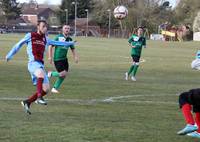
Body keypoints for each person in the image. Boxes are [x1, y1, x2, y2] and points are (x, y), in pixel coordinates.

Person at [5, 20, 74, 115]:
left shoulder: (46, 39)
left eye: (46, 27)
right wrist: (9, 55)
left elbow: (57, 43)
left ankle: (27, 102)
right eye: (43, 26)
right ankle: (39, 97)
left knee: (46, 89)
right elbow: (18, 44)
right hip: (33, 64)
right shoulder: (30, 35)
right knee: (41, 75)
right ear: (38, 27)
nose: (45, 28)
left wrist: (70, 43)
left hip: (40, 65)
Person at [48, 25, 78, 94]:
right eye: (65, 28)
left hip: (64, 59)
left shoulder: (70, 39)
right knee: (62, 74)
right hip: (58, 59)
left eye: (68, 28)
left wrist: (75, 57)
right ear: (62, 29)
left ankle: (54, 88)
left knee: (64, 74)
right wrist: (50, 57)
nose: (67, 29)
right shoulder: (58, 37)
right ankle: (51, 74)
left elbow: (72, 48)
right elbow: (50, 46)